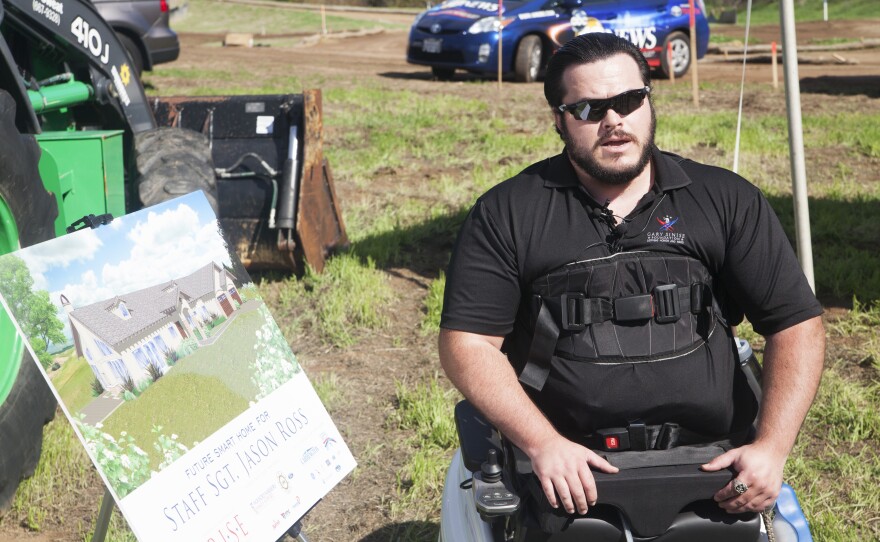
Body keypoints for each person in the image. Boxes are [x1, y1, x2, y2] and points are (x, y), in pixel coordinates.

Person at [438, 32, 824, 522]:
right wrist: (542, 443)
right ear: (559, 120)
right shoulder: (508, 212)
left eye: (628, 100)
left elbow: (796, 324)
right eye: (588, 109)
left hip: (712, 462)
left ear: (649, 100)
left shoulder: (726, 199)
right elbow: (467, 343)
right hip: (568, 468)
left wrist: (771, 446)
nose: (614, 121)